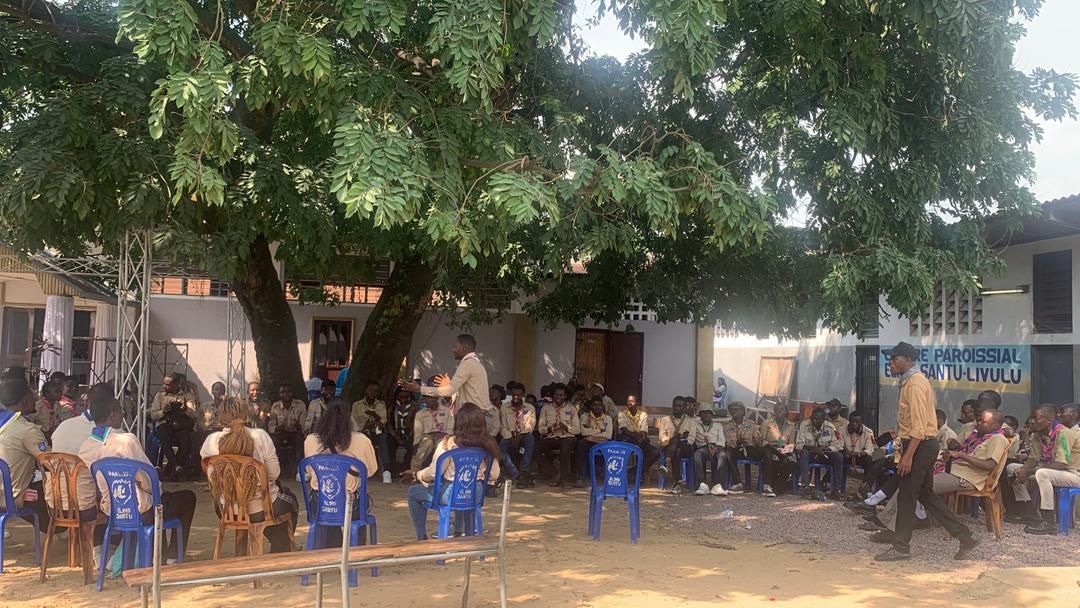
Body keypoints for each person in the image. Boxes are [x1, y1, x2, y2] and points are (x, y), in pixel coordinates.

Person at [874, 342, 976, 562]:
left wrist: (908, 456)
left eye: (895, 358)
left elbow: (919, 427)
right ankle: (965, 536)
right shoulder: (907, 381)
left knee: (907, 497)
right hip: (919, 444)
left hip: (920, 445)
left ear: (909, 360)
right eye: (890, 358)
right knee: (925, 495)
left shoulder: (916, 384)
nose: (891, 363)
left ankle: (901, 547)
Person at [80, 391, 196, 563]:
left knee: (162, 499)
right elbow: (147, 478)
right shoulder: (126, 440)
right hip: (142, 511)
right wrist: (159, 490)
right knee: (187, 498)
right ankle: (173, 557)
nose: (123, 415)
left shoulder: (85, 447)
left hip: (112, 511)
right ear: (112, 415)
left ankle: (160, 554)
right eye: (121, 411)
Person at [872, 409, 1011, 536]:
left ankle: (892, 527)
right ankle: (896, 523)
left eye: (983, 421)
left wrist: (961, 455)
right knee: (910, 481)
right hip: (953, 469)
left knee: (911, 486)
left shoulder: (997, 439)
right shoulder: (977, 435)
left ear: (995, 426)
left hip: (966, 478)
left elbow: (989, 465)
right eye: (978, 419)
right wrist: (953, 449)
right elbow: (958, 447)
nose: (978, 423)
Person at [199, 397, 298, 553]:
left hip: (229, 510)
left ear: (221, 417)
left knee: (274, 507)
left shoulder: (211, 441)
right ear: (246, 414)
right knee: (291, 501)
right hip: (261, 509)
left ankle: (245, 553)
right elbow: (274, 473)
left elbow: (211, 477)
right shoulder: (259, 436)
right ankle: (279, 552)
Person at [403, 403, 500, 540]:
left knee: (413, 493)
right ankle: (462, 531)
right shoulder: (488, 444)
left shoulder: (448, 443)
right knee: (463, 493)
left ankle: (421, 537)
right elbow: (494, 474)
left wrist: (418, 475)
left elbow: (434, 473)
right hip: (475, 494)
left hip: (450, 494)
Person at [303, 397, 379, 546]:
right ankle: (356, 547)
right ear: (349, 416)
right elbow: (370, 471)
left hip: (319, 505)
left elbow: (309, 471)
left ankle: (330, 545)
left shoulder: (310, 440)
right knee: (362, 501)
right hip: (350, 505)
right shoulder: (361, 440)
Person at [1008, 405, 1080, 534]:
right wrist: (1023, 469)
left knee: (1042, 473)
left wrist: (1029, 472)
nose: (1032, 421)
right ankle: (1028, 512)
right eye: (1032, 418)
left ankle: (1049, 520)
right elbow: (1033, 459)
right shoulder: (1038, 435)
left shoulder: (1065, 433)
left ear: (1049, 420)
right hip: (1054, 471)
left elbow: (1061, 463)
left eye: (1036, 418)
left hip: (1073, 473)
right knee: (1011, 468)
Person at [0, 379, 50, 531]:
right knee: (57, 483)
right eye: (33, 396)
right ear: (24, 401)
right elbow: (51, 462)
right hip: (9, 498)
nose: (36, 400)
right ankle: (61, 531)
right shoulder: (27, 430)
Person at [399, 334, 490, 417]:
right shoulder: (474, 363)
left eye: (455, 347)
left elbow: (450, 391)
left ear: (463, 348)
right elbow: (464, 393)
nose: (452, 350)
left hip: (473, 416)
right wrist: (449, 385)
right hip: (477, 415)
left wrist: (419, 389)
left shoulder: (468, 363)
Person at [150, 372, 198, 481]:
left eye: (168, 384)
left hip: (180, 425)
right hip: (165, 425)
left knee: (186, 443)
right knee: (164, 438)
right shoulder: (160, 396)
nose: (164, 386)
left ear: (177, 384)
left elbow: (194, 415)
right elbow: (153, 415)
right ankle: (175, 467)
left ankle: (172, 468)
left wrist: (185, 409)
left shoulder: (187, 397)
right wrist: (164, 411)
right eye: (164, 384)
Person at [537, 383, 581, 489]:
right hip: (551, 437)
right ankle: (554, 472)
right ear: (553, 395)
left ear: (565, 396)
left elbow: (577, 430)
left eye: (561, 395)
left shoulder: (571, 408)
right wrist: (550, 429)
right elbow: (540, 429)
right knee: (536, 449)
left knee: (565, 448)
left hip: (567, 437)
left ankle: (565, 479)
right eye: (556, 395)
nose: (558, 397)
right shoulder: (546, 408)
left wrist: (566, 427)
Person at [795, 407, 844, 500]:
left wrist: (826, 449)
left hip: (824, 454)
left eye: (817, 419)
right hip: (810, 454)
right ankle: (805, 488)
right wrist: (813, 448)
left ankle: (836, 491)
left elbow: (837, 445)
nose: (814, 421)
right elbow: (799, 444)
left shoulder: (830, 427)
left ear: (823, 419)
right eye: (813, 418)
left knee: (839, 456)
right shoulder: (804, 425)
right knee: (804, 453)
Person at [409, 379, 455, 471]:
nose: (427, 400)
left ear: (437, 398)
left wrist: (445, 436)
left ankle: (443, 471)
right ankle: (413, 471)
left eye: (430, 398)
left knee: (442, 444)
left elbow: (450, 429)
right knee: (427, 443)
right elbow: (418, 435)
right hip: (427, 437)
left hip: (443, 436)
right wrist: (415, 446)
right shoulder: (420, 414)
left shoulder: (447, 411)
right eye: (426, 397)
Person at [352, 380, 391, 483]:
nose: (372, 393)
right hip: (361, 433)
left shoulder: (381, 404)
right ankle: (359, 470)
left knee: (383, 438)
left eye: (376, 391)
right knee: (358, 440)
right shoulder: (357, 405)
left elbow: (383, 420)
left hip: (375, 432)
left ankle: (386, 471)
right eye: (370, 390)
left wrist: (375, 417)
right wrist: (366, 426)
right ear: (366, 390)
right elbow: (354, 422)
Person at [498, 381, 536, 487]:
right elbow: (502, 427)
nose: (516, 397)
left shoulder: (530, 408)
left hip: (523, 435)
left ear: (523, 395)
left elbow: (530, 426)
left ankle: (524, 470)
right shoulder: (504, 408)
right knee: (501, 447)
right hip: (509, 435)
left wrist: (519, 437)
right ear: (511, 394)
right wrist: (511, 437)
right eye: (514, 394)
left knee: (530, 439)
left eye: (518, 395)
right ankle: (516, 474)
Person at [721, 401, 763, 493]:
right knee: (728, 453)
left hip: (749, 449)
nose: (734, 412)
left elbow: (757, 439)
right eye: (732, 410)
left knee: (764, 453)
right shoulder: (726, 426)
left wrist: (755, 441)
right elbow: (726, 442)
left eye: (737, 410)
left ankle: (766, 484)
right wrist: (737, 442)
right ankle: (738, 483)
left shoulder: (751, 424)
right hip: (735, 450)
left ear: (743, 411)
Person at [759, 402, 798, 497]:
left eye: (782, 409)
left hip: (784, 449)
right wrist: (775, 449)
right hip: (770, 448)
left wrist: (787, 450)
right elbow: (762, 440)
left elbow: (791, 443)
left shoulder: (791, 426)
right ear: (774, 411)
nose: (780, 411)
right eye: (777, 409)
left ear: (786, 411)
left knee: (792, 460)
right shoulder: (767, 423)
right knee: (774, 458)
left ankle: (779, 485)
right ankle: (770, 485)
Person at [617, 394, 660, 481]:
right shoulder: (622, 414)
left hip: (639, 440)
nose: (630, 403)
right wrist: (638, 437)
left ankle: (634, 471)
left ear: (638, 403)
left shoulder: (643, 414)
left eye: (632, 401)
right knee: (641, 445)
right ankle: (638, 475)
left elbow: (643, 430)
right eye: (628, 401)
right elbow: (624, 430)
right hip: (627, 439)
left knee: (656, 453)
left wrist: (642, 437)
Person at [268, 384, 306, 476]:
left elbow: (304, 425)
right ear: (279, 394)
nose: (286, 394)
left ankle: (300, 470)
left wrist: (297, 426)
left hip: (295, 434)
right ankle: (277, 470)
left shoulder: (300, 405)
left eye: (288, 392)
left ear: (292, 393)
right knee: (274, 441)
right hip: (281, 434)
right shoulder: (275, 406)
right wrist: (278, 428)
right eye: (283, 392)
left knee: (300, 440)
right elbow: (271, 426)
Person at [658, 396, 697, 486]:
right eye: (675, 405)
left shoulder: (691, 421)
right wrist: (674, 438)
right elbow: (662, 438)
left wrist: (678, 439)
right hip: (669, 447)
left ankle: (666, 463)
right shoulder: (665, 420)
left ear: (684, 408)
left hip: (686, 448)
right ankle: (676, 482)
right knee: (677, 451)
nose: (676, 408)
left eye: (679, 406)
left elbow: (691, 440)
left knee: (677, 440)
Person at [576, 397, 614, 487]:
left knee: (609, 446)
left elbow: (608, 435)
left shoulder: (607, 418)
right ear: (591, 406)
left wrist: (591, 434)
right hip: (588, 442)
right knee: (580, 444)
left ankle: (607, 477)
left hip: (602, 443)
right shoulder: (584, 417)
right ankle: (580, 477)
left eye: (599, 405)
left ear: (603, 406)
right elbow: (583, 432)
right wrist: (600, 431)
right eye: (595, 405)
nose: (597, 407)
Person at [691, 408, 728, 496]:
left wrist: (716, 448)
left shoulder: (718, 425)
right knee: (697, 454)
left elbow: (721, 440)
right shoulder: (696, 426)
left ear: (712, 415)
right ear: (700, 416)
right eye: (703, 413)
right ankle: (702, 484)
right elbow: (691, 439)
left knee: (722, 455)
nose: (706, 415)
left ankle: (718, 485)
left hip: (717, 447)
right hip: (703, 448)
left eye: (708, 413)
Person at [387, 387, 417, 475]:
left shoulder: (414, 405)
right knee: (389, 444)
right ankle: (392, 471)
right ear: (397, 394)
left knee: (414, 446)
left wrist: (410, 434)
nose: (403, 395)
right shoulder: (392, 405)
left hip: (410, 433)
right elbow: (388, 422)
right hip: (394, 433)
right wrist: (395, 436)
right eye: (401, 393)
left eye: (406, 393)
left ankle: (405, 469)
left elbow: (417, 422)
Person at [842, 411, 876, 484]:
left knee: (868, 459)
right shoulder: (842, 430)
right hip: (846, 456)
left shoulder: (868, 432)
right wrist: (846, 452)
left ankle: (866, 485)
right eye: (852, 421)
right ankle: (828, 482)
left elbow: (870, 449)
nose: (854, 424)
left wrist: (859, 453)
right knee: (838, 458)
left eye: (857, 422)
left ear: (861, 422)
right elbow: (839, 444)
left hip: (859, 456)